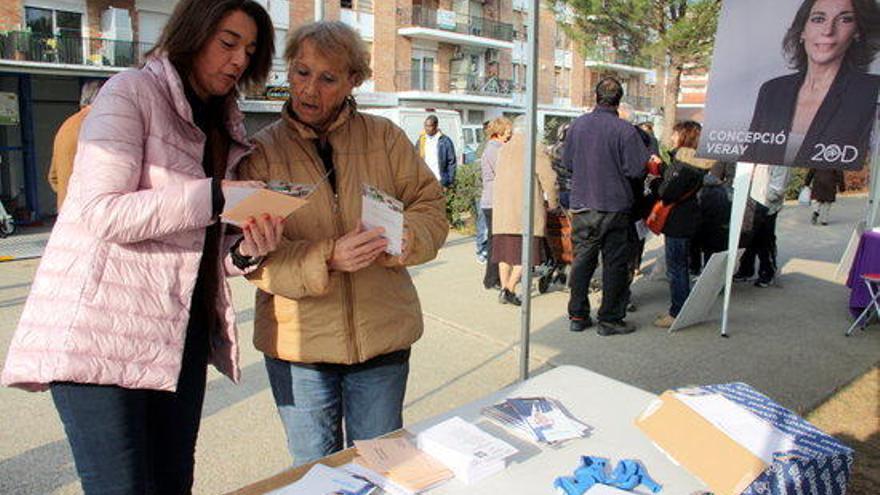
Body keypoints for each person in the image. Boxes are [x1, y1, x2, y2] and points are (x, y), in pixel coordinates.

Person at [1, 1, 281, 493]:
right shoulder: (130, 91)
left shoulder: (223, 122)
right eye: (228, 42)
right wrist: (214, 195)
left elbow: (200, 240)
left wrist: (245, 250)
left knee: (174, 484)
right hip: (102, 334)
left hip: (179, 337)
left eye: (251, 49)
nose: (239, 60)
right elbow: (101, 211)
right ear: (193, 33)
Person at [238, 21, 448, 466]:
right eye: (301, 72)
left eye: (328, 77)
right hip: (300, 348)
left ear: (354, 80)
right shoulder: (260, 152)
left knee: (382, 464)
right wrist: (327, 257)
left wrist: (407, 237)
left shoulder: (386, 138)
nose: (309, 89)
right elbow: (253, 261)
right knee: (314, 470)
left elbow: (431, 206)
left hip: (381, 340)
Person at [742, 0, 880, 168]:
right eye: (818, 19)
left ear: (857, 32)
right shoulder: (772, 91)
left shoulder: (870, 91)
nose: (828, 31)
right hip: (763, 193)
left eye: (845, 19)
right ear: (802, 31)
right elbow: (749, 155)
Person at [564, 77, 648, 336]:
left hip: (583, 204)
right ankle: (609, 319)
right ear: (619, 100)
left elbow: (567, 162)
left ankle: (578, 315)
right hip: (614, 206)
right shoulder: (625, 131)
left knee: (583, 263)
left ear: (595, 97)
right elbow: (636, 170)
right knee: (614, 265)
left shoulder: (577, 126)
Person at [491, 115, 558, 306]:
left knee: (504, 253)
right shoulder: (535, 148)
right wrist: (552, 204)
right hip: (524, 211)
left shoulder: (504, 148)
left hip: (503, 211)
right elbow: (549, 179)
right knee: (526, 253)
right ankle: (510, 288)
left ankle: (505, 289)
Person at [653, 123, 712, 329]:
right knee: (683, 266)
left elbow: (666, 192)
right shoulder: (698, 162)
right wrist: (664, 169)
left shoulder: (683, 163)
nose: (671, 137)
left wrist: (657, 178)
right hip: (689, 218)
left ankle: (677, 312)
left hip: (677, 221)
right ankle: (683, 308)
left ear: (683, 136)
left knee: (676, 268)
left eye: (675, 133)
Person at [47, 79, 104, 211]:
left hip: (67, 214)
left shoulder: (66, 125)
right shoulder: (99, 124)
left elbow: (53, 177)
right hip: (91, 214)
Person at [734, 164, 792, 287]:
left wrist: (762, 195)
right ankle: (746, 269)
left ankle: (767, 272)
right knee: (748, 238)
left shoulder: (780, 161)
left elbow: (778, 189)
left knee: (765, 241)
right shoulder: (753, 156)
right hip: (749, 203)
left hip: (766, 206)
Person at [479, 117, 511, 290]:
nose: (509, 136)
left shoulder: (494, 148)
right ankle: (492, 279)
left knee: (495, 240)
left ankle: (493, 278)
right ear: (499, 133)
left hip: (492, 200)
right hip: (494, 201)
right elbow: (503, 172)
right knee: (496, 241)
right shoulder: (495, 150)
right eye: (507, 133)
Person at [416, 114, 457, 188]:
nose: (427, 128)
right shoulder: (421, 140)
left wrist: (449, 181)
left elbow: (451, 162)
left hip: (439, 181)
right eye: (425, 126)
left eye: (430, 126)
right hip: (425, 181)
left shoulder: (445, 141)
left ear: (436, 126)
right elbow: (415, 159)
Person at [474, 120, 492, 265]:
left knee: (485, 222)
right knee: (483, 222)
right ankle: (481, 250)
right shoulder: (485, 147)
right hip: (482, 191)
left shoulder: (487, 145)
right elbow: (480, 172)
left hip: (484, 191)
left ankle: (484, 249)